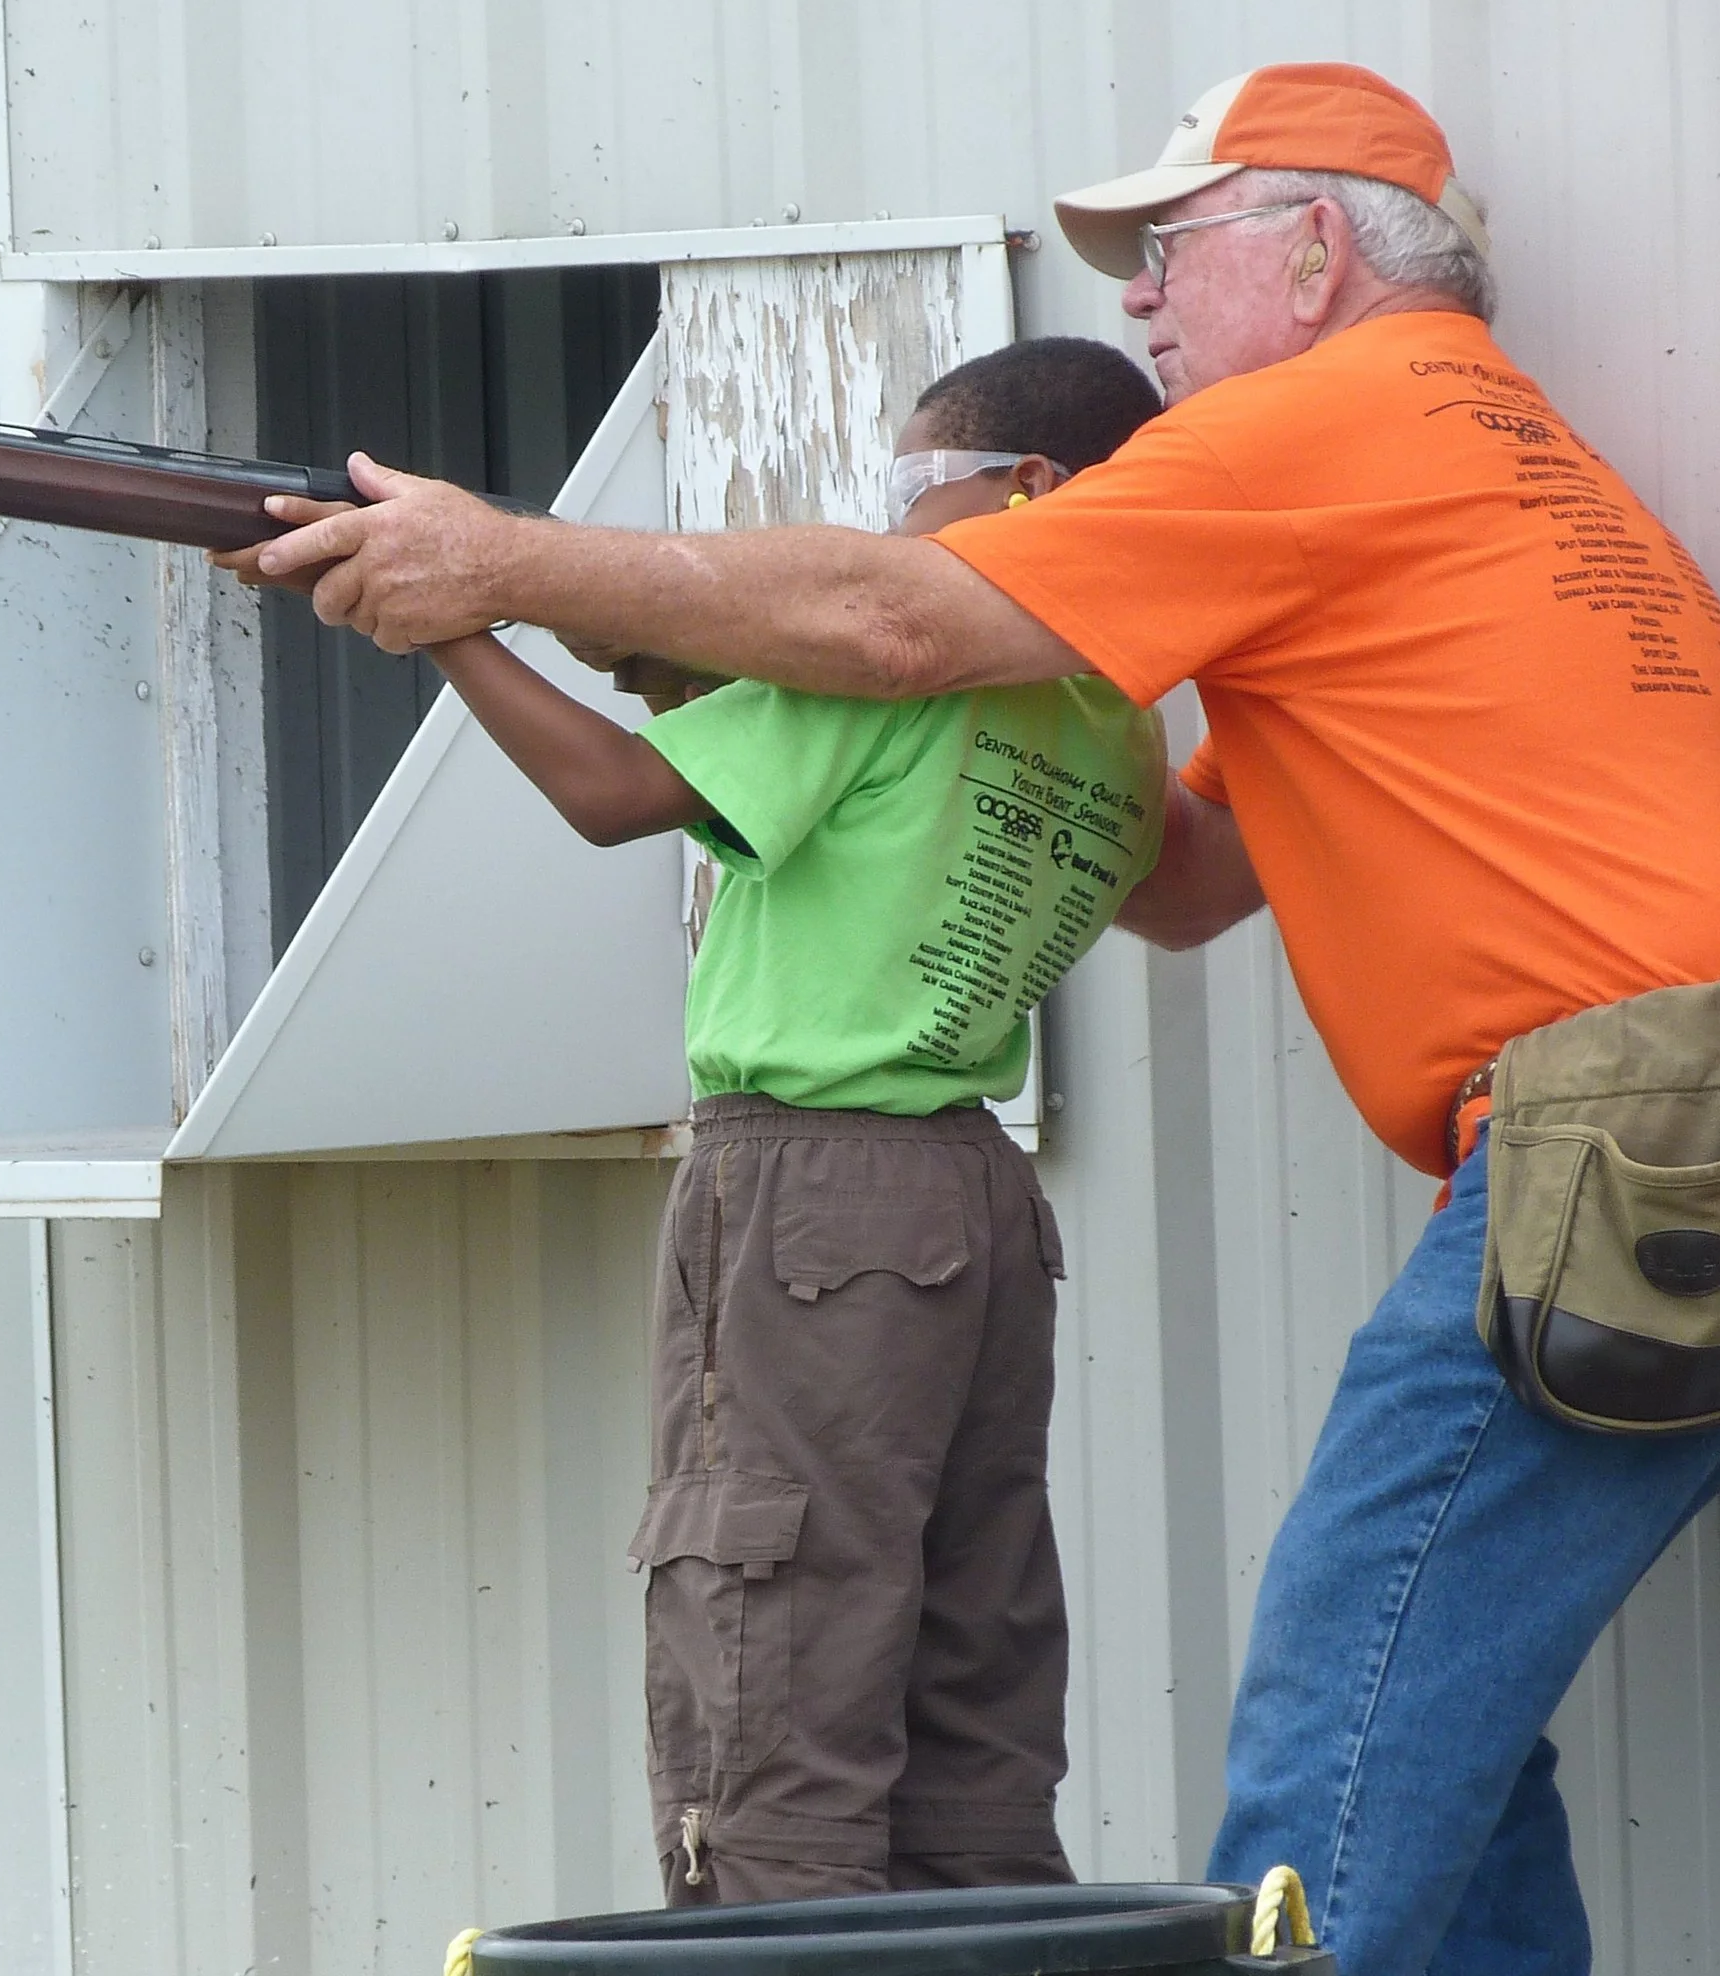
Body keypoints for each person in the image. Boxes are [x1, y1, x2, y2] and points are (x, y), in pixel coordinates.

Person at [221, 63, 1720, 1975]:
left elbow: (899, 626)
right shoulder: (1472, 443)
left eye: (1172, 250)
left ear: (1310, 256)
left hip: (1646, 1140)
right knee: (1437, 1719)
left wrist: (512, 567)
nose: (1136, 303)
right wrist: (837, 676)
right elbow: (1187, 884)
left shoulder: (1321, 421)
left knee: (1333, 1712)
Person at [400, 336, 1166, 1905]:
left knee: (773, 1657)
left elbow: (611, 794)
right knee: (971, 1671)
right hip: (976, 1196)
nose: (880, 539)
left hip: (809, 1190)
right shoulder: (1120, 722)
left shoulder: (890, 663)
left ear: (1029, 489)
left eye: (907, 490)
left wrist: (448, 629)